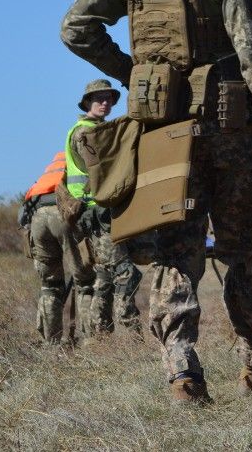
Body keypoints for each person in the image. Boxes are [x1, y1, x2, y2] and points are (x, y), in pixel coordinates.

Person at [61, 0, 252, 403]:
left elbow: (75, 27)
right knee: (248, 245)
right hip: (228, 122)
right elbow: (251, 41)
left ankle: (182, 372)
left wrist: (135, 73)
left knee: (174, 242)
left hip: (159, 128)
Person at [65, 79, 143, 335]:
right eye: (98, 98)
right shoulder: (84, 132)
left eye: (108, 98)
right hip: (95, 212)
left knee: (106, 276)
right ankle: (132, 334)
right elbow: (102, 170)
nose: (104, 102)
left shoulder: (99, 129)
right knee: (125, 272)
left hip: (100, 210)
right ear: (87, 102)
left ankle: (101, 335)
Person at [20, 150, 93, 345]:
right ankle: (90, 341)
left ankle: (50, 343)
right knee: (85, 281)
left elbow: (22, 214)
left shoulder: (49, 170)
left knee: (49, 286)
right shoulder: (78, 161)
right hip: (63, 213)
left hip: (38, 219)